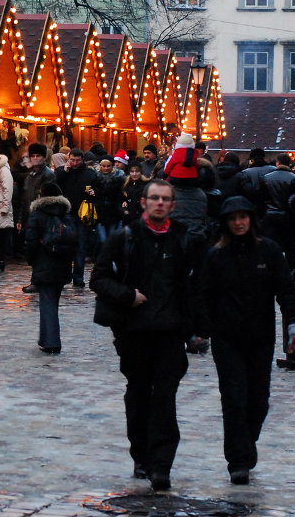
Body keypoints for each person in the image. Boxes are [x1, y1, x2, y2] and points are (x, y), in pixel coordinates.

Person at [90, 179, 201, 492]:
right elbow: (98, 279)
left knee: (165, 399)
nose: (160, 203)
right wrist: (127, 296)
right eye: (155, 198)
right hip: (134, 332)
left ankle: (161, 465)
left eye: (166, 199)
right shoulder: (124, 238)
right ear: (144, 203)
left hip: (169, 333)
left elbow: (192, 287)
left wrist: (195, 330)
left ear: (173, 205)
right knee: (138, 395)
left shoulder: (182, 239)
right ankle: (141, 454)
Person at [195, 197, 295, 485]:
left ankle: (246, 441)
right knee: (233, 398)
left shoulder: (268, 251)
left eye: (243, 217)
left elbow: (286, 290)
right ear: (225, 223)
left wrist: (293, 322)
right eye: (233, 218)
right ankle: (238, 460)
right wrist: (201, 329)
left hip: (260, 336)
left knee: (258, 401)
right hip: (226, 337)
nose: (238, 222)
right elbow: (203, 295)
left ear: (251, 220)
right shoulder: (215, 256)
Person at [24, 182, 75, 354]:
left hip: (44, 262)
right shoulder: (66, 214)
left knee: (47, 302)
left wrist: (31, 260)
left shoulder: (37, 214)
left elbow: (30, 240)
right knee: (52, 301)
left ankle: (51, 340)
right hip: (62, 263)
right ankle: (46, 338)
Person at [55, 148, 100, 287]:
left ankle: (78, 277)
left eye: (77, 160)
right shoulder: (63, 171)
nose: (74, 163)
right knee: (65, 245)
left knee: (81, 246)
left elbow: (99, 189)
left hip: (82, 214)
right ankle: (65, 275)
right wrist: (65, 172)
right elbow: (55, 184)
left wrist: (94, 193)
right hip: (66, 213)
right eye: (72, 160)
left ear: (82, 160)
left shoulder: (90, 174)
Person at [18, 143, 57, 293]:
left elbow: (48, 197)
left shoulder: (48, 175)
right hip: (30, 216)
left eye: (38, 156)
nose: (35, 159)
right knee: (33, 248)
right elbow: (25, 198)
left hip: (42, 217)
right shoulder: (29, 176)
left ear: (43, 157)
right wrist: (21, 218)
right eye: (32, 156)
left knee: (41, 249)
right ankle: (38, 279)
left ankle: (38, 280)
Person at [259, 154, 295, 270]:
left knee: (270, 248)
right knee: (290, 249)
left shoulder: (266, 178)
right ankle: (292, 273)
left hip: (270, 216)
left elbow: (261, 198)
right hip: (288, 217)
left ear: (277, 163)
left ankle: (270, 271)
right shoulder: (294, 178)